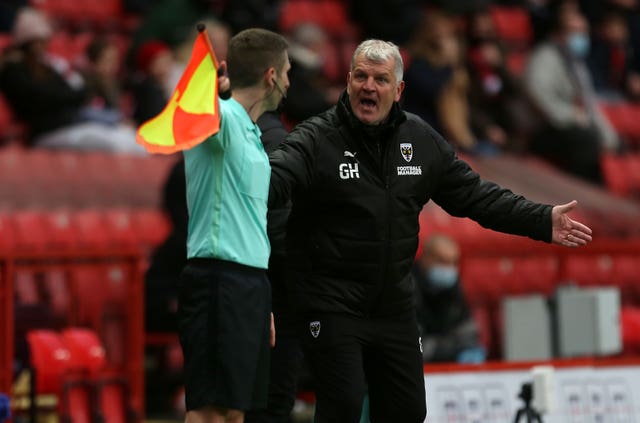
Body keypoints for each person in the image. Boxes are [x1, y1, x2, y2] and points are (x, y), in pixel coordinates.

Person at [268, 38, 593, 423]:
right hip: (333, 303)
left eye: (381, 79)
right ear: (348, 80)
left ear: (399, 89)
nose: (369, 86)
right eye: (361, 77)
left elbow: (476, 196)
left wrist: (541, 219)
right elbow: (275, 178)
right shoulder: (315, 138)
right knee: (343, 405)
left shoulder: (420, 140)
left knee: (408, 411)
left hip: (394, 306)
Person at [177, 28, 290, 423]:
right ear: (272, 76)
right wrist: (214, 91)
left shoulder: (252, 133)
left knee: (234, 412)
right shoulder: (221, 116)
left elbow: (252, 224)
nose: (290, 83)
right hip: (217, 280)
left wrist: (265, 300)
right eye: (288, 72)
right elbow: (193, 111)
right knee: (210, 410)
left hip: (250, 285)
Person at [0, 7, 145, 154]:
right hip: (47, 131)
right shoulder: (14, 68)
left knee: (130, 139)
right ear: (26, 42)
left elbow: (76, 93)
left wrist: (61, 96)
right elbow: (37, 99)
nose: (42, 46)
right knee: (112, 143)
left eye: (44, 41)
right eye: (36, 42)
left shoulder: (49, 66)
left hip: (69, 124)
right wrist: (62, 96)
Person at [524, 0, 619, 184]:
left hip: (573, 128)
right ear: (560, 33)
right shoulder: (544, 56)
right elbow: (539, 98)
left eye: (584, 32)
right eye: (577, 33)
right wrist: (571, 116)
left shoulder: (577, 65)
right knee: (585, 140)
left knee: (603, 140)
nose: (582, 38)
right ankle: (582, 193)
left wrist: (610, 137)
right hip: (545, 129)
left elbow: (590, 104)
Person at [412, 234, 485, 364]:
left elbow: (466, 330)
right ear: (426, 258)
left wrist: (467, 348)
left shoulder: (454, 288)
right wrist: (454, 349)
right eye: (442, 261)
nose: (449, 268)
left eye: (453, 262)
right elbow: (412, 344)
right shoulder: (407, 286)